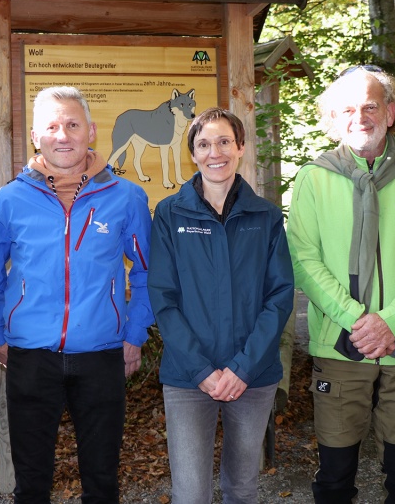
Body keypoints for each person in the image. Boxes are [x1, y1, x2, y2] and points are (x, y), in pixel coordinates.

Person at [286, 66, 395, 503]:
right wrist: (357, 320)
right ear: (332, 118)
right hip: (340, 348)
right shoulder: (313, 177)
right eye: (347, 108)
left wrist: (391, 321)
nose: (359, 116)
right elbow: (303, 259)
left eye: (369, 105)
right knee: (335, 481)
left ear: (391, 111)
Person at [0, 86, 154, 503]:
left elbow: (148, 270)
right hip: (31, 354)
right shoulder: (9, 200)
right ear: (36, 136)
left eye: (72, 124)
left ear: (90, 131)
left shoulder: (126, 198)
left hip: (102, 353)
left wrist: (134, 333)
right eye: (52, 126)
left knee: (102, 479)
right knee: (32, 483)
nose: (63, 134)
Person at [148, 107, 295, 503]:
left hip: (253, 374)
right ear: (193, 154)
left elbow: (279, 296)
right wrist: (202, 370)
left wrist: (242, 367)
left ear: (241, 147)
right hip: (188, 376)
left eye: (224, 141)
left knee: (242, 488)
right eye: (204, 143)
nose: (215, 151)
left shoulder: (264, 216)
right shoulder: (169, 213)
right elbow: (162, 297)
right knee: (191, 493)